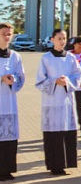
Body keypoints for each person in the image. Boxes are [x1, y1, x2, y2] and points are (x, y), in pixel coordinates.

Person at [35, 29, 81, 175]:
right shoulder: (46, 58)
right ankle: (54, 166)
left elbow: (77, 75)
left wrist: (67, 81)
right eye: (59, 38)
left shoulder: (70, 58)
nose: (62, 41)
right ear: (52, 39)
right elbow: (39, 81)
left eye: (64, 38)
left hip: (66, 101)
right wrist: (55, 81)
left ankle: (66, 164)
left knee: (66, 132)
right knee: (53, 135)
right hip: (51, 101)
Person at [0, 22, 25, 181]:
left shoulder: (15, 56)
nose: (7, 37)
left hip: (9, 102)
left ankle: (7, 169)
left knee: (8, 138)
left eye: (9, 34)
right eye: (4, 33)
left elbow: (21, 77)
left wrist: (13, 79)